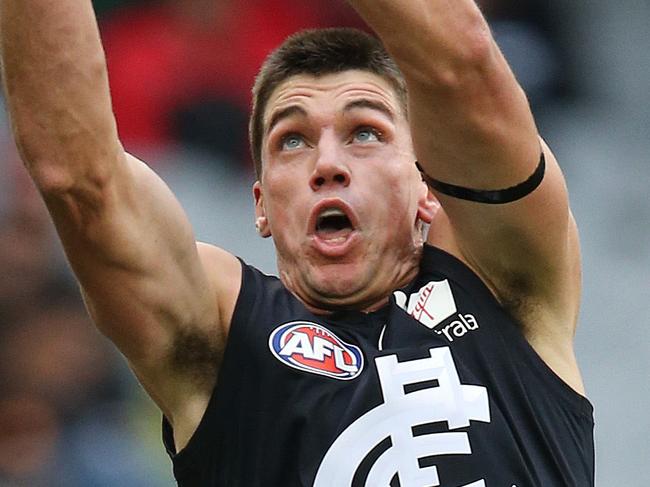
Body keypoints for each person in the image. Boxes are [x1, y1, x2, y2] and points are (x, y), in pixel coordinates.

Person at [0, 1, 594, 486]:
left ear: (426, 187)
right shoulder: (222, 333)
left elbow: (461, 60)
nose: (327, 163)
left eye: (365, 132)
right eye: (292, 140)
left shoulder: (507, 288)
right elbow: (79, 181)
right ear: (261, 205)